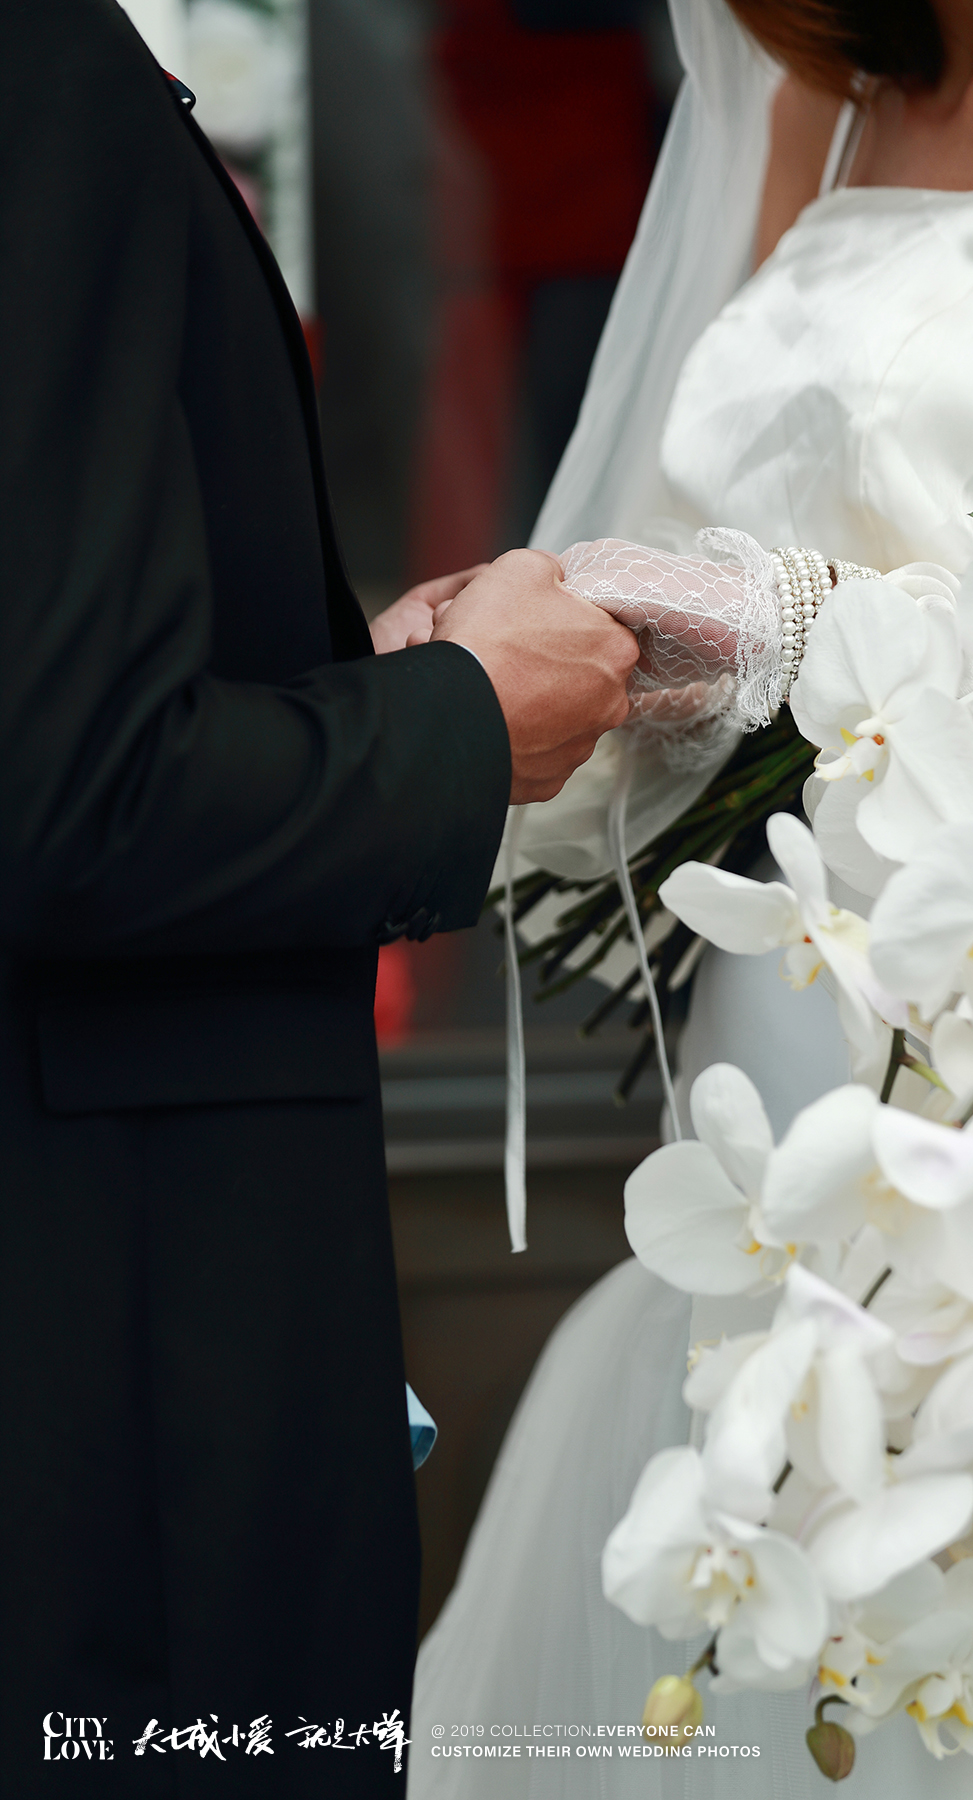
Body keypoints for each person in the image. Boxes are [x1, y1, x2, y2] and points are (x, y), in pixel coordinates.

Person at [409, 0, 973, 1794]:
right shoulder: (818, 105)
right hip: (777, 1035)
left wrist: (805, 630)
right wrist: (536, 671)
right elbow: (714, 559)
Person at [0, 5, 639, 1796]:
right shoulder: (34, 67)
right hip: (114, 1348)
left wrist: (350, 680)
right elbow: (78, 796)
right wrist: (459, 722)